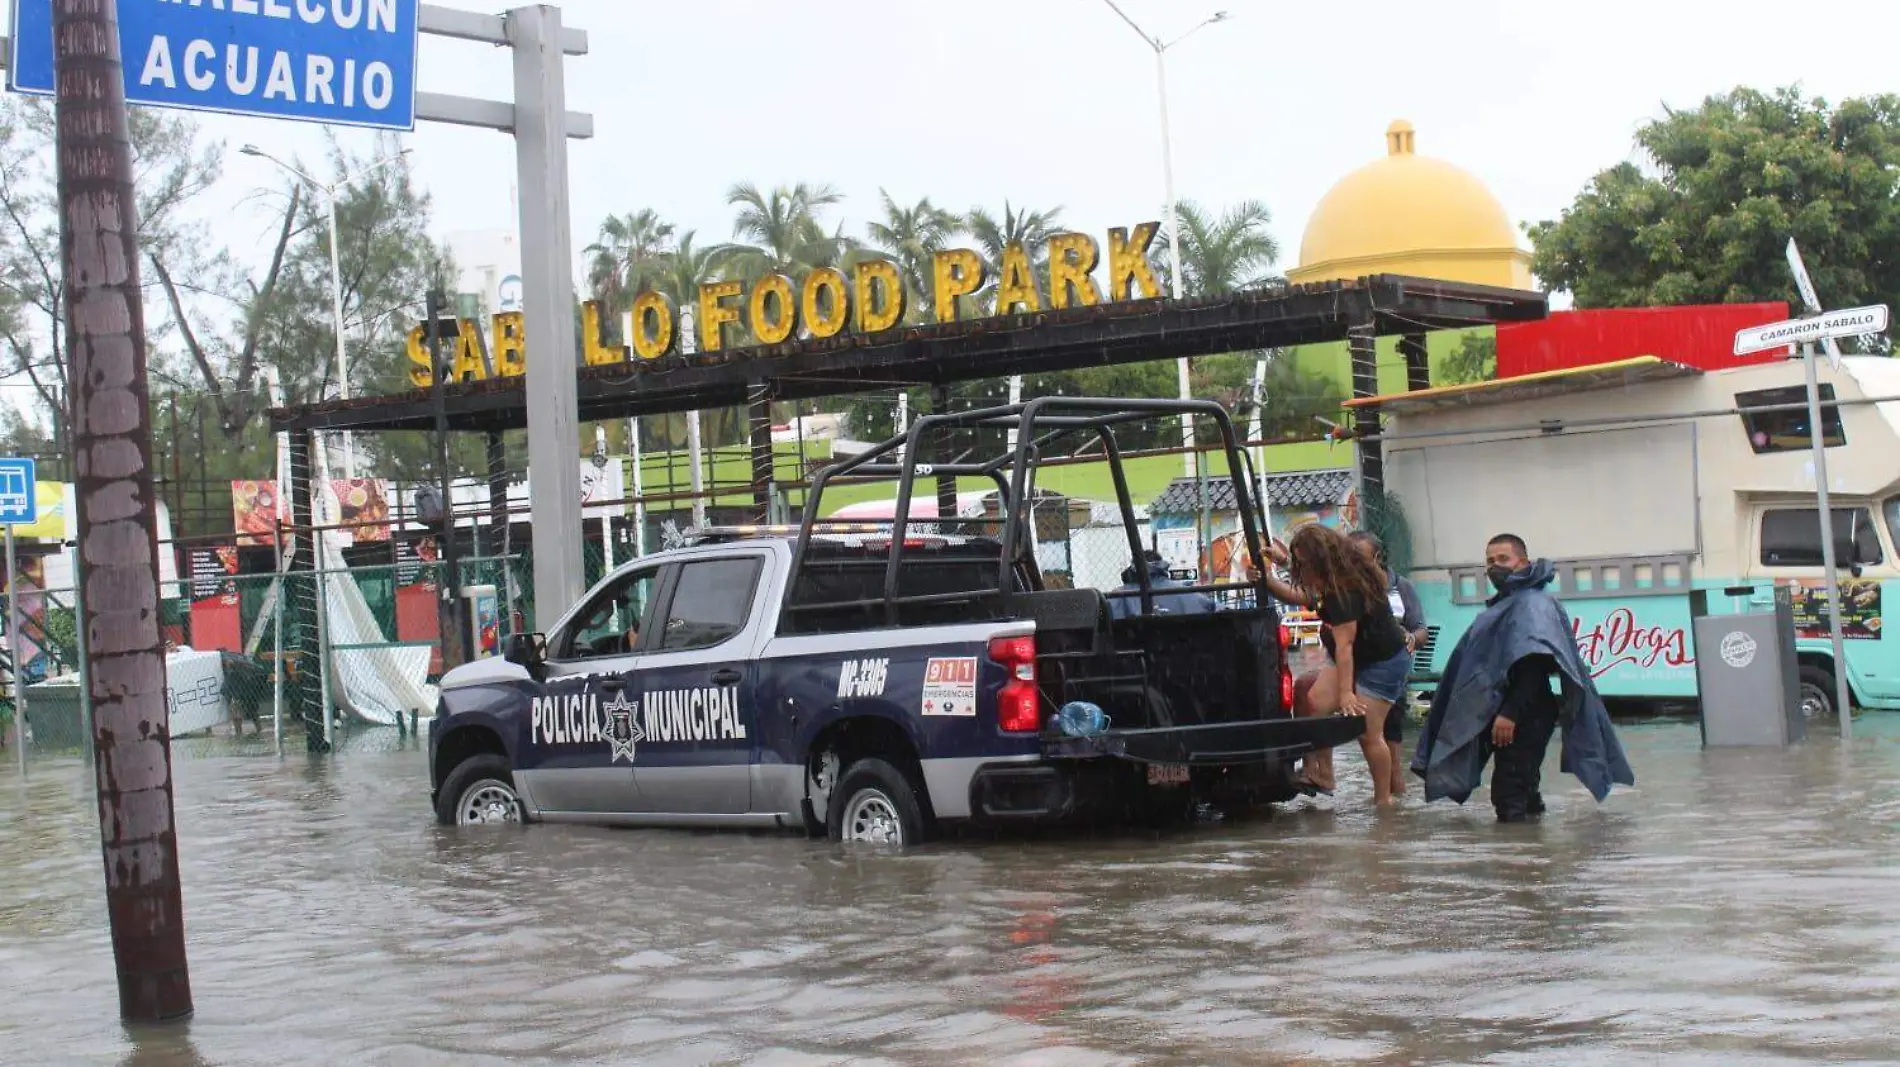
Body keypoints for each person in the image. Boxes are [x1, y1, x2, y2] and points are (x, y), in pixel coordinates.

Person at [1411, 533, 1636, 821]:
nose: (1495, 566)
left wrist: (1510, 714)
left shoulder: (1533, 605)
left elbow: (1534, 665)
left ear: (1523, 563)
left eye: (1503, 559)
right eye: (1490, 561)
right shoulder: (1508, 604)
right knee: (1524, 787)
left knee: (1509, 793)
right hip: (1505, 709)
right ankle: (1533, 849)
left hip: (1525, 711)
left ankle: (1518, 860)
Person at [1258, 524, 1413, 807]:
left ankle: (1384, 803)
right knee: (1315, 701)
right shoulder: (1332, 576)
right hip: (1359, 656)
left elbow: (1345, 646)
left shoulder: (1345, 589)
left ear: (1321, 559)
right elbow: (1304, 598)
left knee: (1368, 731)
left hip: (1383, 662)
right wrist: (1269, 577)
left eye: (1303, 563)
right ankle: (1324, 774)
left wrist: (1346, 694)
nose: (1300, 569)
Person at [1348, 531, 1427, 799]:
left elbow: (1420, 629)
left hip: (1390, 671)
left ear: (1377, 557)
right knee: (1370, 737)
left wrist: (1411, 638)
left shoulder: (1400, 586)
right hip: (1360, 666)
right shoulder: (1347, 586)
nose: (1352, 563)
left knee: (1386, 743)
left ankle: (1390, 805)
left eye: (1359, 557)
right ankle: (1386, 803)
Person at [1108, 549, 1218, 620]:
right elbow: (1218, 609)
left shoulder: (1116, 598)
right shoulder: (1188, 594)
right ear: (1163, 566)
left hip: (1131, 654)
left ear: (1132, 569)